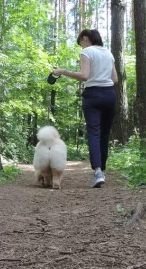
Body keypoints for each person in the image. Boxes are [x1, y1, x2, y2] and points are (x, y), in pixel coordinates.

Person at [53, 29, 118, 188]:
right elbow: (114, 79)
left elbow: (84, 76)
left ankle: (97, 172)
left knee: (94, 133)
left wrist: (63, 71)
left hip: (93, 95)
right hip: (110, 94)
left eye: (80, 43)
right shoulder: (108, 53)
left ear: (85, 38)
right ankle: (102, 170)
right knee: (104, 135)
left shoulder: (87, 52)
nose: (81, 47)